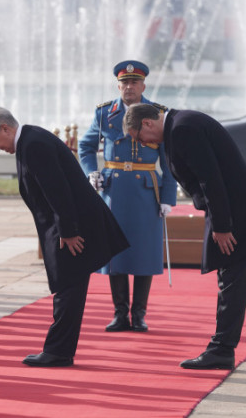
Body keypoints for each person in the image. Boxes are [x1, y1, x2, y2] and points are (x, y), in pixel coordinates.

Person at [123, 103, 246, 370]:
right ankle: (222, 347)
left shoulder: (183, 128)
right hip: (230, 208)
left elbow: (211, 178)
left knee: (231, 280)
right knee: (228, 278)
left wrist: (222, 226)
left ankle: (221, 349)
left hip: (234, 212)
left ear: (148, 124)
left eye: (139, 137)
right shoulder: (180, 124)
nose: (142, 143)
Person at [0, 107, 129, 367]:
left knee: (67, 287)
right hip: (69, 225)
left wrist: (69, 232)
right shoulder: (30, 139)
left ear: (6, 129)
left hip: (71, 228)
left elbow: (57, 190)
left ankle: (58, 351)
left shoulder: (33, 144)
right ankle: (60, 349)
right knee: (69, 287)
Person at [78, 60, 177, 332]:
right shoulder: (104, 113)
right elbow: (85, 147)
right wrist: (90, 173)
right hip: (115, 190)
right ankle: (120, 313)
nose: (129, 87)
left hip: (147, 190)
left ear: (143, 85)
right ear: (118, 85)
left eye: (135, 82)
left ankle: (139, 314)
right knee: (116, 252)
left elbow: (169, 160)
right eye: (125, 83)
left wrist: (168, 197)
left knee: (144, 252)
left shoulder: (156, 113)